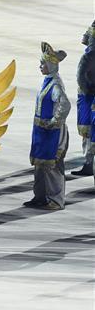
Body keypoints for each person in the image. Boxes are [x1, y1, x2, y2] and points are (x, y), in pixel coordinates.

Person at [24, 42, 70, 211]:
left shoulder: (55, 84)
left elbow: (64, 105)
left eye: (43, 63)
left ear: (51, 65)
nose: (40, 66)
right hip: (41, 132)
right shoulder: (48, 81)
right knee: (40, 166)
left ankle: (56, 200)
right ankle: (40, 196)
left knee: (52, 167)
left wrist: (54, 121)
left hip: (52, 133)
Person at [73, 23, 95, 177]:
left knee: (90, 133)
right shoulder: (88, 55)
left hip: (88, 97)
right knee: (86, 132)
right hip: (86, 97)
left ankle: (89, 164)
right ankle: (88, 163)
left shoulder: (89, 56)